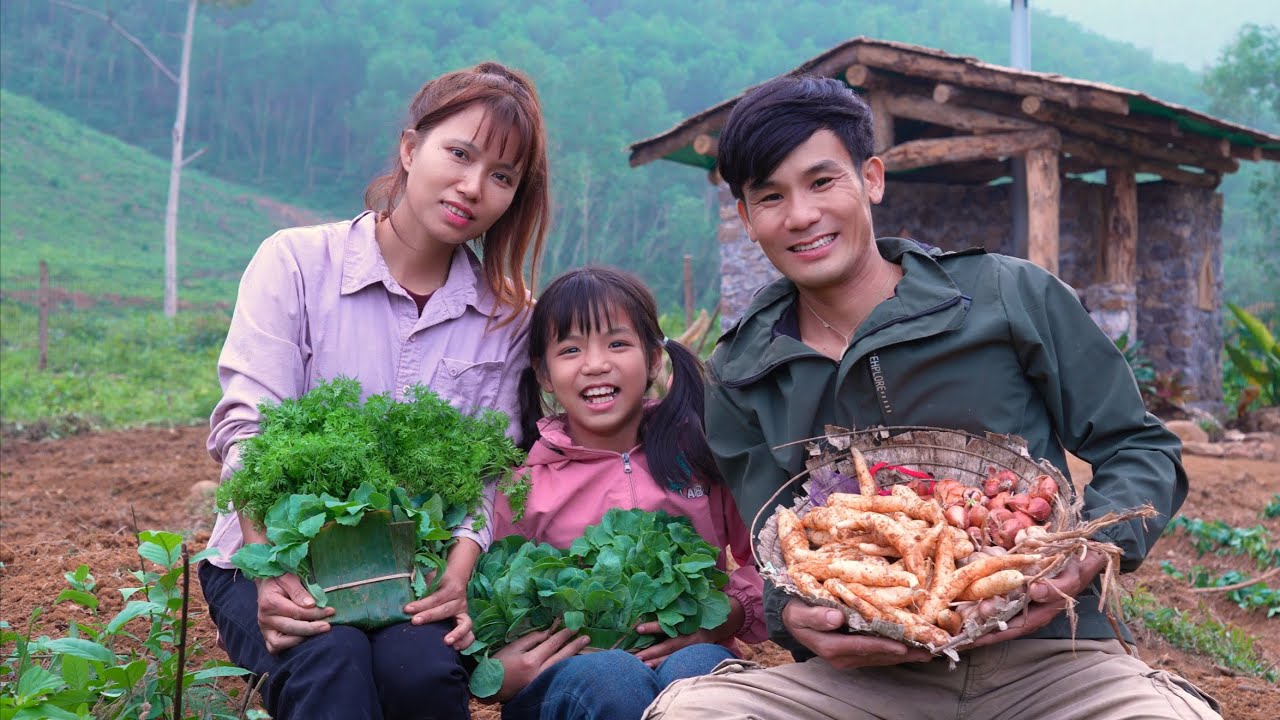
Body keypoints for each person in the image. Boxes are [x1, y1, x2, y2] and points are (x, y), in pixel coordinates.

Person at [643, 76, 1221, 719]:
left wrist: (1084, 554)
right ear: (747, 219)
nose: (800, 215)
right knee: (693, 712)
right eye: (771, 196)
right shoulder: (739, 372)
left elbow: (1140, 447)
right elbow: (775, 542)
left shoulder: (1007, 296)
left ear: (872, 179)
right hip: (866, 682)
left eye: (822, 181)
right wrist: (791, 614)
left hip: (1052, 660)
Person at [199, 61, 551, 720]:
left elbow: (491, 470)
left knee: (423, 675)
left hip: (410, 572)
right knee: (330, 661)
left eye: (502, 176)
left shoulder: (508, 317)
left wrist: (457, 574)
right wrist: (269, 568)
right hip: (274, 555)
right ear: (411, 149)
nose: (473, 186)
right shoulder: (296, 263)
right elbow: (248, 431)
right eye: (460, 154)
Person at [485, 266, 767, 720]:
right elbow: (488, 598)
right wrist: (500, 669)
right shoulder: (523, 486)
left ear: (654, 359)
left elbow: (771, 558)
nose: (596, 364)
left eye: (617, 344)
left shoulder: (700, 456)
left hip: (690, 656)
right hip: (566, 683)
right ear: (544, 374)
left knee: (700, 668)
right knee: (613, 678)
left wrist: (724, 616)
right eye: (570, 349)